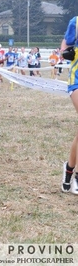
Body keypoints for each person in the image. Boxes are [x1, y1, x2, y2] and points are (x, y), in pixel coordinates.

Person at [61, 16, 78, 194]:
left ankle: (69, 170)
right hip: (77, 79)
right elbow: (65, 45)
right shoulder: (76, 22)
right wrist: (65, 52)